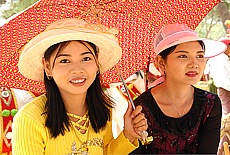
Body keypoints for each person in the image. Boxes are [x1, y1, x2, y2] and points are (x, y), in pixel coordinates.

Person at [12, 18, 148, 155]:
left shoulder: (102, 110)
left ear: (96, 62)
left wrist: (129, 134)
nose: (77, 69)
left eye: (86, 58)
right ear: (47, 67)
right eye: (65, 61)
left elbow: (105, 152)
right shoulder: (29, 119)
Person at [130, 23, 226, 154]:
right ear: (161, 62)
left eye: (199, 56)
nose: (194, 64)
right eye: (183, 56)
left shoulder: (210, 104)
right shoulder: (140, 108)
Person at [204, 36, 230, 154]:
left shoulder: (219, 58)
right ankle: (221, 149)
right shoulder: (221, 59)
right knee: (227, 120)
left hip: (219, 87)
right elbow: (223, 80)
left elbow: (206, 73)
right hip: (225, 89)